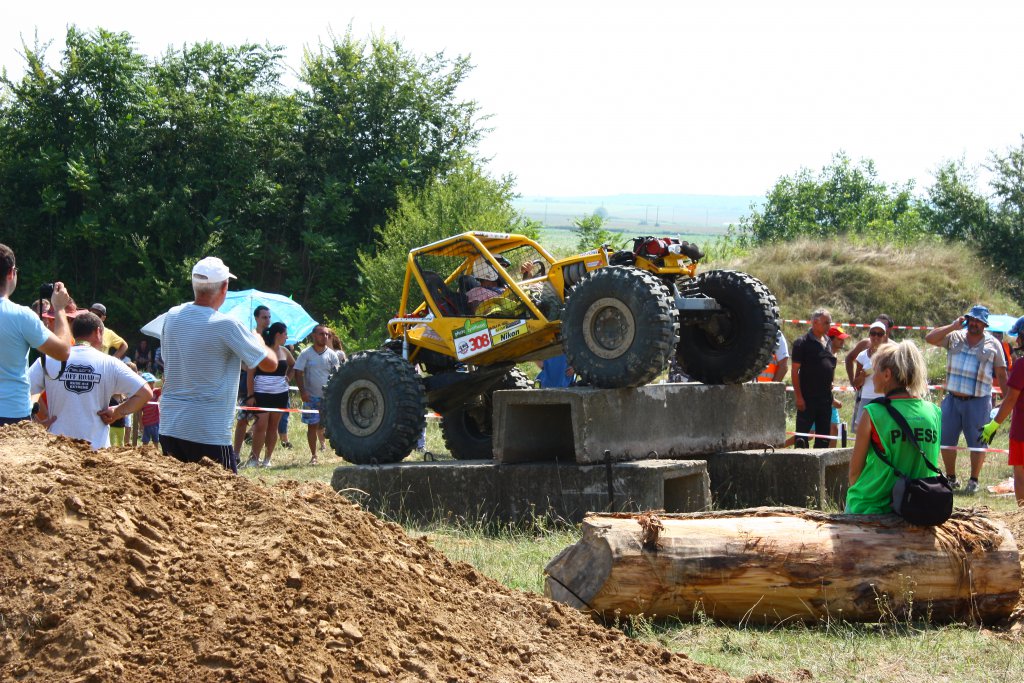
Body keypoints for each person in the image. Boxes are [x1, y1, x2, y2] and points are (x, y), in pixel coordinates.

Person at [159, 256, 277, 472]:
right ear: (225, 287)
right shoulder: (227, 324)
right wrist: (259, 340)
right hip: (208, 430)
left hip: (170, 426)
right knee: (225, 492)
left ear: (194, 285)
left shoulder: (172, 316)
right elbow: (270, 365)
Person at [28, 312, 152, 449]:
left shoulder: (47, 360)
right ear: (98, 332)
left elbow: (21, 390)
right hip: (96, 450)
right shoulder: (110, 363)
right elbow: (145, 393)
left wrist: (36, 422)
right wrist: (117, 412)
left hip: (58, 448)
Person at [846, 340, 941, 514]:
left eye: (875, 371)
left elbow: (854, 474)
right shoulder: (933, 411)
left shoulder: (873, 413)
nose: (872, 377)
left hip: (873, 506)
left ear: (887, 374)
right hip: (919, 505)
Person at [925, 305, 1007, 493]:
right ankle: (951, 478)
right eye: (971, 319)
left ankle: (973, 480)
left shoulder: (994, 344)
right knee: (946, 440)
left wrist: (1008, 399)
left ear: (985, 324)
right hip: (952, 399)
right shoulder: (954, 336)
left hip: (979, 401)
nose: (974, 323)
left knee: (978, 443)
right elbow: (930, 338)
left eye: (978, 321)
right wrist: (952, 326)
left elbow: (1002, 374)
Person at [1, 244, 74, 425]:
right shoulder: (21, 316)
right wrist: (59, 308)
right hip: (12, 414)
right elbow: (63, 351)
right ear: (11, 273)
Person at [242, 322, 294, 468]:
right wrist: (251, 395)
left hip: (280, 395)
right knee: (260, 426)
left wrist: (288, 378)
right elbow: (250, 373)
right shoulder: (261, 350)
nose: (287, 337)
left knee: (273, 427)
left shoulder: (285, 351)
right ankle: (254, 458)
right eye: (285, 334)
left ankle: (267, 459)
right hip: (261, 394)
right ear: (278, 334)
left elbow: (293, 365)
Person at [980, 336, 1024, 508]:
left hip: (1021, 431)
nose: (1017, 340)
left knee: (1020, 474)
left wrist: (993, 425)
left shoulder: (1021, 365)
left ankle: (1021, 517)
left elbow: (1010, 399)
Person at [293, 325, 343, 464]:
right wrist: (303, 392)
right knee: (312, 425)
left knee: (330, 424)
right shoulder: (306, 354)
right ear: (314, 336)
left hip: (328, 397)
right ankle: (314, 455)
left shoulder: (332, 354)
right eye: (321, 334)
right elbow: (298, 372)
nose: (325, 337)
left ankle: (337, 450)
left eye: (327, 334)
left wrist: (336, 393)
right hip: (311, 397)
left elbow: (338, 374)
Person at [791, 308, 836, 448]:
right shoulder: (801, 343)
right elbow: (794, 371)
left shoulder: (828, 341)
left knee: (823, 439)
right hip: (807, 398)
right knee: (801, 439)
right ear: (815, 322)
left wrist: (831, 381)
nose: (829, 326)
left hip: (825, 399)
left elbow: (830, 364)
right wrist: (799, 397)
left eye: (830, 323)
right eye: (826, 323)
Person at [233, 305, 272, 460]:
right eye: (264, 317)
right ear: (256, 318)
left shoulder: (271, 337)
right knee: (242, 420)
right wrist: (250, 367)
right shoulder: (249, 336)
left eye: (269, 317)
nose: (267, 320)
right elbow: (239, 359)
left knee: (262, 423)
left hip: (265, 386)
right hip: (247, 384)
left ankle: (254, 456)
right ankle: (235, 454)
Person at [850, 321, 892, 429]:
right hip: (866, 398)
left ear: (884, 336)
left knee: (883, 430)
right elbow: (856, 384)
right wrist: (862, 377)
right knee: (864, 430)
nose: (876, 337)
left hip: (884, 398)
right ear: (869, 335)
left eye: (880, 334)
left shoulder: (889, 355)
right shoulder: (862, 355)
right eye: (873, 333)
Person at [139, 372, 161, 448]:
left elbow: (163, 388)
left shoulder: (156, 391)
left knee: (156, 440)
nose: (152, 385)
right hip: (146, 423)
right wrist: (140, 424)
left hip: (155, 422)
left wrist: (163, 380)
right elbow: (139, 411)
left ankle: (156, 453)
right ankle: (143, 453)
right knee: (145, 441)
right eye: (149, 383)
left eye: (152, 383)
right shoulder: (141, 395)